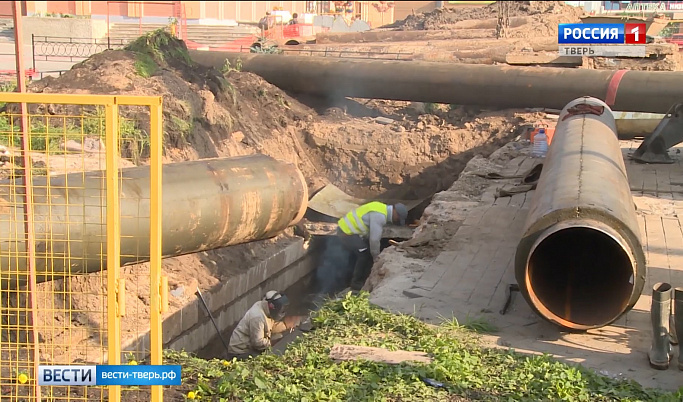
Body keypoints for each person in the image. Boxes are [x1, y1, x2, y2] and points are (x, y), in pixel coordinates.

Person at [336, 202, 408, 290]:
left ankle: (364, 279)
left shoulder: (381, 208)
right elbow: (374, 239)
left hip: (350, 231)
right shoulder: (380, 216)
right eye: (398, 218)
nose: (396, 220)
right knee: (364, 254)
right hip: (346, 231)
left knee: (366, 252)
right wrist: (376, 257)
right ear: (395, 212)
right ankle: (356, 283)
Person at [227, 290, 290, 360]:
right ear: (271, 306)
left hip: (251, 346)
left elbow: (271, 326)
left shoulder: (265, 309)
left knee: (279, 336)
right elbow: (258, 343)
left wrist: (286, 326)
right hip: (240, 352)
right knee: (267, 358)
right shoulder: (257, 317)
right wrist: (273, 342)